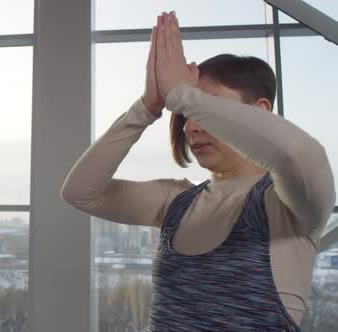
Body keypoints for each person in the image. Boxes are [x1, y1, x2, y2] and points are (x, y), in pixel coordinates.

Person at [61, 11, 335, 331]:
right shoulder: (177, 201)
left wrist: (182, 95)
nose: (189, 126)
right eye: (185, 113)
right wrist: (148, 106)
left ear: (259, 111)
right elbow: (80, 192)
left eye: (204, 106)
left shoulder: (286, 205)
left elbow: (299, 153)